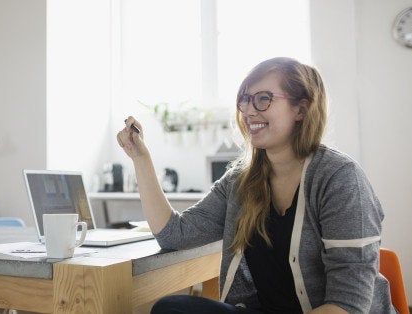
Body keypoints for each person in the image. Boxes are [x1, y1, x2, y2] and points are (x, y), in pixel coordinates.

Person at [116, 57, 395, 313]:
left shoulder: (339, 178)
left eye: (263, 99)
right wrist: (140, 158)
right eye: (245, 100)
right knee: (172, 309)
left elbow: (348, 304)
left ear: (301, 108)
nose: (248, 110)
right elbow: (175, 235)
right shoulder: (241, 179)